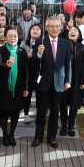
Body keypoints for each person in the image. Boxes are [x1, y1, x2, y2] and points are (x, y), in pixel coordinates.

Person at [30, 16, 71, 148]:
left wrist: (68, 81)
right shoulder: (40, 41)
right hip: (43, 82)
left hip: (58, 83)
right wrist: (39, 54)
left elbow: (68, 64)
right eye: (51, 26)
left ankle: (52, 137)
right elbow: (34, 62)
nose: (54, 29)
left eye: (57, 26)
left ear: (60, 28)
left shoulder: (65, 43)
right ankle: (38, 136)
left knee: (55, 111)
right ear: (46, 28)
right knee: (41, 111)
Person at [0, 26, 29, 146]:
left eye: (15, 36)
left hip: (18, 86)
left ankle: (12, 134)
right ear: (5, 37)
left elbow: (26, 71)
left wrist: (26, 87)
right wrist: (6, 65)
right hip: (3, 86)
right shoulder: (1, 50)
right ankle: (5, 135)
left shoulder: (22, 51)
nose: (13, 38)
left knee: (15, 112)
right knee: (3, 111)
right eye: (10, 36)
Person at [59, 26, 84, 137]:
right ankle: (63, 126)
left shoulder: (83, 47)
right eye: (71, 30)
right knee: (63, 104)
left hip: (77, 79)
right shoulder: (62, 44)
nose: (73, 32)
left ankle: (71, 127)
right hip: (64, 79)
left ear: (79, 34)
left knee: (74, 104)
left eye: (75, 30)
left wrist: (83, 81)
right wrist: (66, 28)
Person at [20, 23, 43, 124]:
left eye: (38, 29)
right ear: (30, 31)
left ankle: (40, 113)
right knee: (27, 94)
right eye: (33, 29)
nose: (35, 31)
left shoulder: (43, 43)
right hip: (28, 73)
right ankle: (26, 114)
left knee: (40, 95)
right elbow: (19, 59)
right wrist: (27, 57)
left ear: (41, 32)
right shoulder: (24, 44)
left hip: (40, 73)